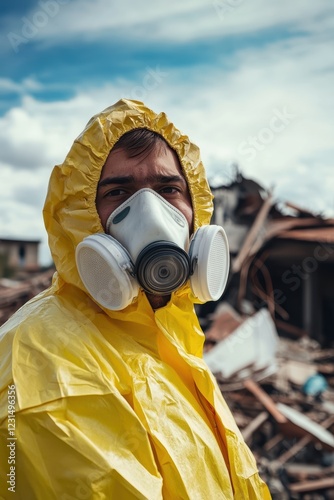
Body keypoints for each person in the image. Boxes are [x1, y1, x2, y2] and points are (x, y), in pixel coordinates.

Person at [0, 98, 271, 499]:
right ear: (81, 216)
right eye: (119, 192)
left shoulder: (174, 339)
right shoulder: (40, 359)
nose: (151, 212)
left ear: (195, 208)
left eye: (168, 189)